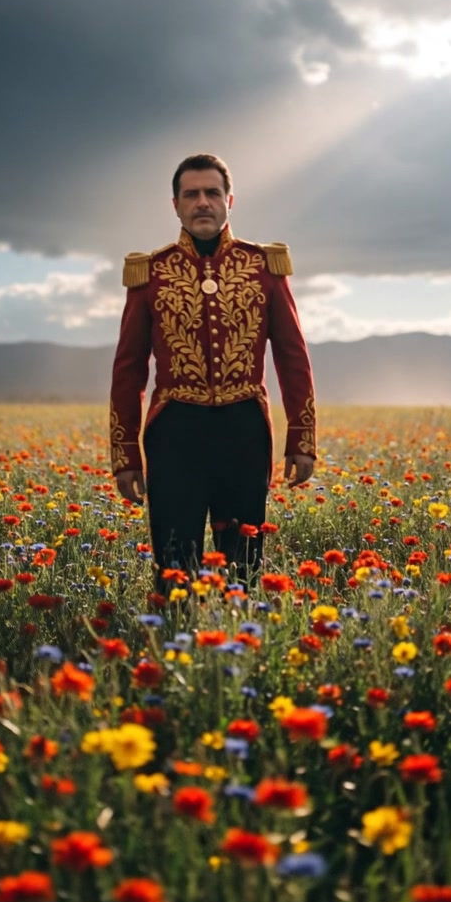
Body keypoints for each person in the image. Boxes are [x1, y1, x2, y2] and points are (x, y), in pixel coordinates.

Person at [109, 152, 316, 589]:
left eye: (212, 193)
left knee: (242, 569)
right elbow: (128, 370)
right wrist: (125, 455)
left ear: (229, 200)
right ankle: (174, 648)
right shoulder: (151, 273)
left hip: (244, 430)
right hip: (174, 434)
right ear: (176, 205)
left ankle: (240, 651)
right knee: (174, 569)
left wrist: (302, 438)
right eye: (192, 194)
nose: (203, 202)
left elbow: (293, 357)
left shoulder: (265, 268)